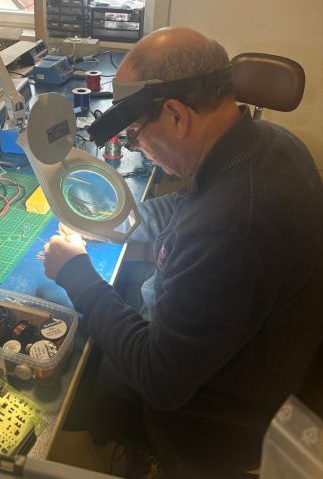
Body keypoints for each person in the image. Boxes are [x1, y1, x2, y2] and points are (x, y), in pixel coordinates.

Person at [42, 27, 323, 478]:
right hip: (251, 354)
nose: (136, 147)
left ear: (175, 114)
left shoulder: (234, 224)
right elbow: (188, 204)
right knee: (120, 289)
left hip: (210, 419)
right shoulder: (268, 144)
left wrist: (76, 273)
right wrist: (118, 221)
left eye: (135, 134)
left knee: (73, 369)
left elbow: (159, 380)